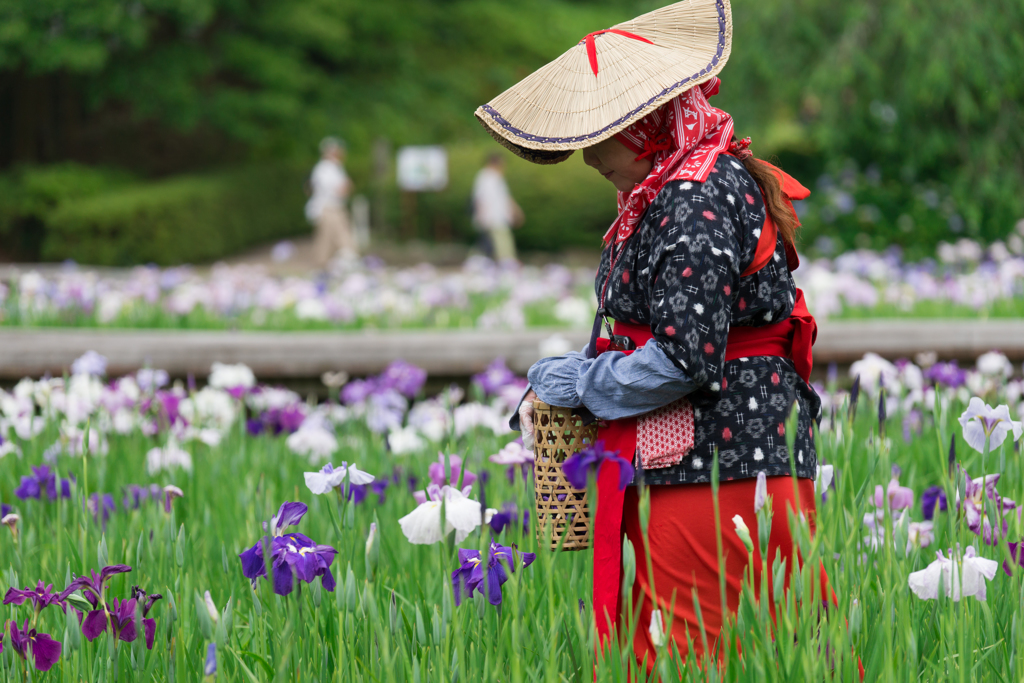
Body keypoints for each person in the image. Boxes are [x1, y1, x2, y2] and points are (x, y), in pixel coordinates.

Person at [475, 0, 825, 670]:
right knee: (774, 652)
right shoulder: (681, 185)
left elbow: (685, 357)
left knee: (705, 654)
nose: (585, 156)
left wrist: (578, 381)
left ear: (643, 126)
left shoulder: (693, 197)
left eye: (598, 133)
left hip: (718, 466)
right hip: (729, 459)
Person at [306, 137, 356, 267]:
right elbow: (340, 190)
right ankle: (347, 262)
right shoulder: (324, 169)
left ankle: (324, 265)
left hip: (334, 208)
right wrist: (346, 187)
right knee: (339, 238)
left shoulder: (334, 167)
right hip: (329, 209)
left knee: (327, 240)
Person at [471, 153, 523, 263]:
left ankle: (504, 263)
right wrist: (482, 217)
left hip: (500, 217)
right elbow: (479, 199)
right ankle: (507, 264)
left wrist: (514, 210)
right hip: (492, 217)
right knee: (500, 244)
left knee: (497, 243)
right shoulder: (485, 177)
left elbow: (505, 198)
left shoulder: (497, 177)